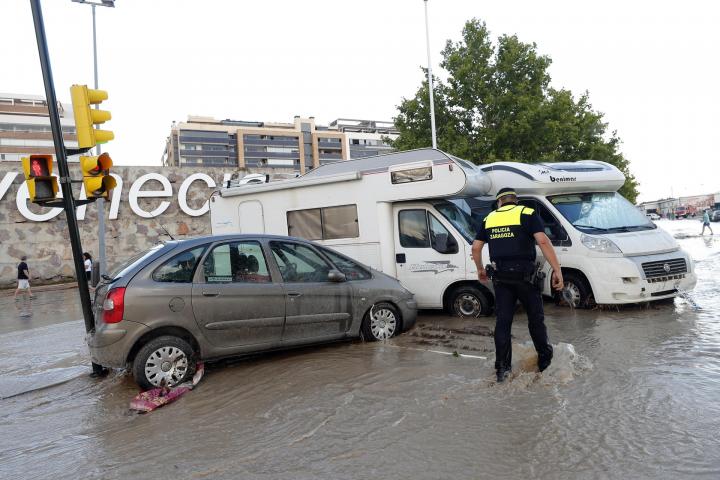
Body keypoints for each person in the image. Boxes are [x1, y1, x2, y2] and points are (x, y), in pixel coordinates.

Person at [471, 188, 564, 382]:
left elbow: (476, 247)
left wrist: (480, 269)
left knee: (503, 323)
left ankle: (503, 371)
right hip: (525, 278)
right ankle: (545, 364)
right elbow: (543, 242)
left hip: (501, 278)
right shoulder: (527, 213)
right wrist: (557, 269)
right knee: (535, 320)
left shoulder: (489, 218)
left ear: (499, 203)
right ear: (515, 200)